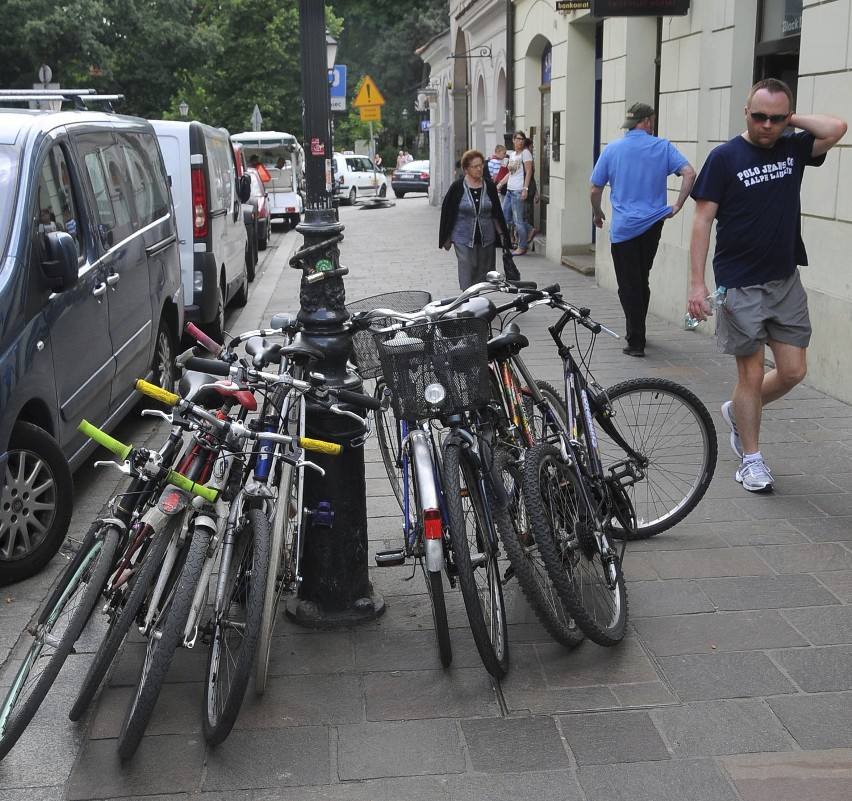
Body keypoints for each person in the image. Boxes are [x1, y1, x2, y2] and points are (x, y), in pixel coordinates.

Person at [689, 78, 847, 493]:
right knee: (752, 373)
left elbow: (836, 128)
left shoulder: (793, 147)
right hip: (739, 284)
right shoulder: (724, 157)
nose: (767, 125)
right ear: (746, 112)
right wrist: (695, 283)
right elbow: (702, 220)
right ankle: (752, 459)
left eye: (777, 118)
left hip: (785, 279)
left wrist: (791, 120)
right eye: (759, 116)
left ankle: (738, 412)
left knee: (794, 371)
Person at [590, 102, 696, 357]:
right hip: (652, 224)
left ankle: (636, 340)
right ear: (648, 121)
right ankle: (638, 330)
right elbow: (689, 173)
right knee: (641, 278)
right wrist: (678, 205)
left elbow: (595, 188)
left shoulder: (613, 149)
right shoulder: (662, 146)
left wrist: (597, 212)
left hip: (625, 228)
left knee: (628, 284)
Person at [439, 149, 511, 290]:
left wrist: (502, 235)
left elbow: (495, 213)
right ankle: (467, 299)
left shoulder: (489, 186)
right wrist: (446, 237)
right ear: (466, 169)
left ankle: (479, 301)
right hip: (462, 237)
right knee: (466, 265)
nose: (479, 169)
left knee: (484, 272)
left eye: (481, 165)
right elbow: (448, 212)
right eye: (475, 166)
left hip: (486, 237)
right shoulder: (457, 187)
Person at [497, 131, 534, 257]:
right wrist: (501, 183)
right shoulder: (512, 155)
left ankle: (522, 246)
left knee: (518, 220)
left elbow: (529, 172)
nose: (520, 141)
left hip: (519, 189)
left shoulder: (526, 153)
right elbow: (510, 173)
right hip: (510, 189)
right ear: (513, 140)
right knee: (505, 215)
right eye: (518, 139)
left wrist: (525, 189)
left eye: (522, 139)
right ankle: (529, 228)